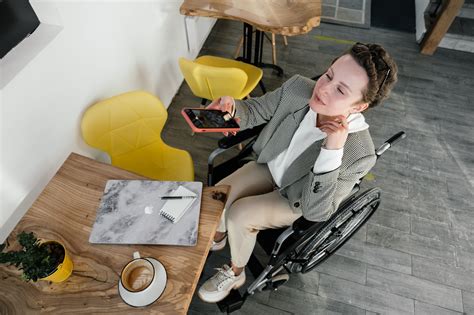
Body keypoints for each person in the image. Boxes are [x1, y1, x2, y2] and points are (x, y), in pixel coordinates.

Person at [198, 43, 398, 303]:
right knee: (216, 199)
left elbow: (317, 212)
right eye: (328, 75)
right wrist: (232, 109)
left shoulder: (359, 153)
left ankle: (236, 273)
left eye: (340, 90)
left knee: (240, 215)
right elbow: (256, 109)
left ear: (359, 107)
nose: (323, 88)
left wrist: (332, 149)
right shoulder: (297, 87)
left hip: (294, 197)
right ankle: (220, 234)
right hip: (268, 166)